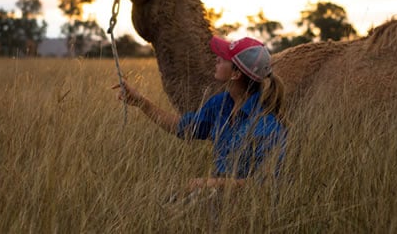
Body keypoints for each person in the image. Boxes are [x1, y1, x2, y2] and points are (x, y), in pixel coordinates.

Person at [114, 36, 287, 190]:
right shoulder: (221, 104)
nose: (217, 59)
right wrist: (142, 103)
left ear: (236, 73)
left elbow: (266, 184)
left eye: (224, 58)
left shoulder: (267, 127)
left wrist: (211, 184)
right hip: (213, 197)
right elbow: (184, 128)